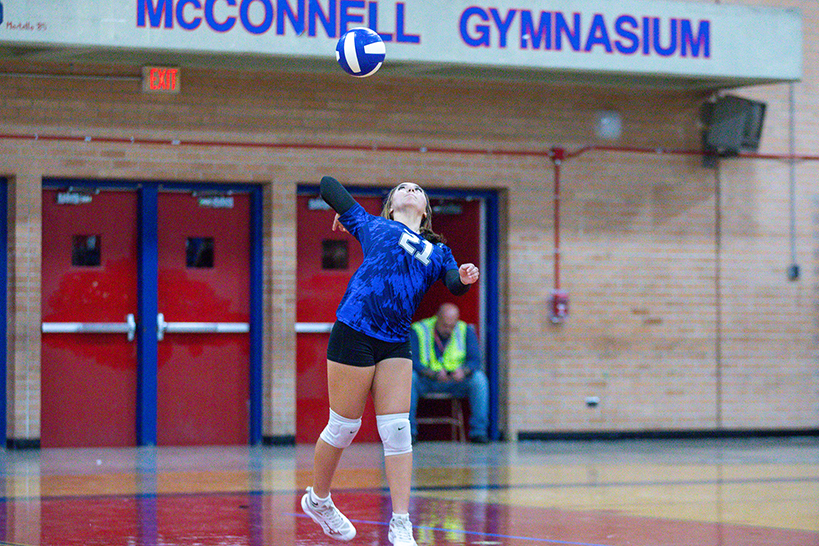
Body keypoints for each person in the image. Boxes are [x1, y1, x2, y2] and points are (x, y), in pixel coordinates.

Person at [301, 176, 480, 546]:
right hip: (355, 329)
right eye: (402, 188)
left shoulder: (438, 251)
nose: (411, 190)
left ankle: (401, 523)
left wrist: (463, 278)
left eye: (418, 189)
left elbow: (452, 282)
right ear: (391, 205)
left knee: (398, 431)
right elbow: (327, 184)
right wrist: (345, 213)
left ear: (426, 209)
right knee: (344, 428)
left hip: (396, 340)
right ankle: (318, 500)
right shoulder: (373, 225)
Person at [409, 303, 490, 444]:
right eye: (445, 325)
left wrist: (464, 372)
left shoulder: (465, 330)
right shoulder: (419, 330)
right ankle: (409, 433)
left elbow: (475, 361)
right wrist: (432, 374)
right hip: (427, 379)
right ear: (437, 318)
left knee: (479, 380)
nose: (448, 330)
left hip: (455, 381)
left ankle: (479, 432)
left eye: (452, 326)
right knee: (409, 379)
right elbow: (411, 361)